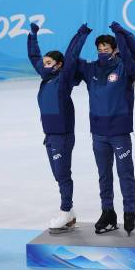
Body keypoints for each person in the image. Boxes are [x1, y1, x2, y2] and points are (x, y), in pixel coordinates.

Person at [72, 22, 135, 236]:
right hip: (99, 134)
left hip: (120, 133)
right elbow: (70, 60)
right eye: (100, 49)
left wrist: (122, 34)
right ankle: (108, 212)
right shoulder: (90, 68)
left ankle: (129, 212)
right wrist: (80, 35)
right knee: (104, 175)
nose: (103, 52)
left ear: (115, 50)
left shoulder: (125, 67)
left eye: (107, 49)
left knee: (125, 174)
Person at [27, 22, 91, 233]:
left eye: (48, 62)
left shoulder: (63, 81)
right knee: (58, 175)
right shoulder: (46, 77)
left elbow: (71, 57)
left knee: (63, 175)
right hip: (50, 137)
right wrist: (32, 35)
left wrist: (80, 35)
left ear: (58, 66)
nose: (43, 65)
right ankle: (70, 214)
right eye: (44, 63)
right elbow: (34, 58)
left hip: (61, 137)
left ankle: (65, 211)